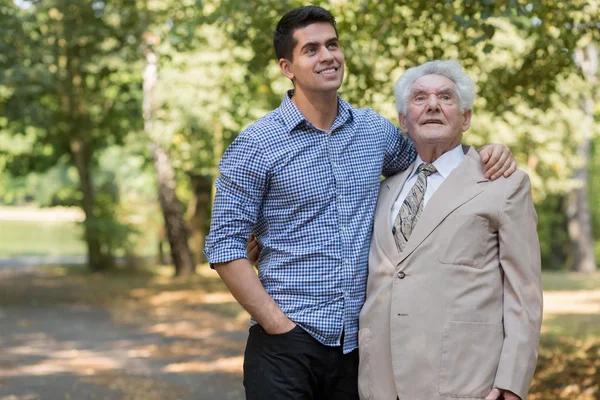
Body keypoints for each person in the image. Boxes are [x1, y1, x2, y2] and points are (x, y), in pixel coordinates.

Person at [204, 6, 516, 400]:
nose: (328, 56)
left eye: (332, 44)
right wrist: (276, 324)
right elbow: (223, 245)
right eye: (311, 49)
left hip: (357, 349)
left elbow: (433, 167)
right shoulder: (256, 145)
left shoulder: (375, 132)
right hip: (285, 346)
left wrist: (487, 153)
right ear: (287, 66)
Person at [357, 60, 542, 400]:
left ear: (466, 118)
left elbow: (524, 293)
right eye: (419, 98)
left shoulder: (503, 185)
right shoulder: (381, 190)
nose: (432, 104)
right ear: (403, 121)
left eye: (445, 97)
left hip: (464, 381)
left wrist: (512, 381)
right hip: (380, 383)